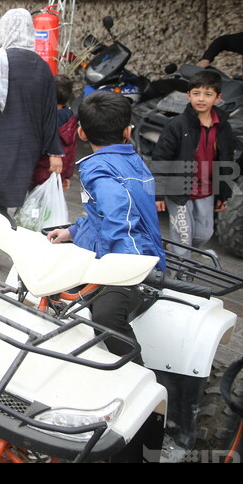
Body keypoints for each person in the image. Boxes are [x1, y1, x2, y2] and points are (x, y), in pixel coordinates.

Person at [47, 91, 165, 355]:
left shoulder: (98, 169)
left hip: (132, 262)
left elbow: (118, 215)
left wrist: (124, 268)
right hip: (131, 251)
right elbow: (103, 216)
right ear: (127, 131)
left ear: (81, 133)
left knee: (106, 317)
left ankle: (136, 371)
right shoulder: (131, 159)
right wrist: (73, 231)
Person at [0, 8, 63, 269]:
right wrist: (53, 151)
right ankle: (8, 249)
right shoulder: (42, 67)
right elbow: (50, 112)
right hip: (31, 144)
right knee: (24, 198)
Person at [152, 70, 236, 255]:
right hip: (179, 191)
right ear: (188, 95)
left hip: (206, 191)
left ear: (218, 98)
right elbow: (161, 158)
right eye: (196, 93)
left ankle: (174, 252)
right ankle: (177, 281)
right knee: (183, 240)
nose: (201, 99)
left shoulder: (223, 127)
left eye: (208, 94)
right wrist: (158, 194)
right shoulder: (177, 124)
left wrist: (224, 193)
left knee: (204, 235)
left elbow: (227, 160)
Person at [30, 75, 78, 190]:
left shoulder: (45, 117)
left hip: (39, 173)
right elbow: (72, 150)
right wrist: (67, 176)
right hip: (59, 174)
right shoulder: (71, 118)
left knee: (32, 204)